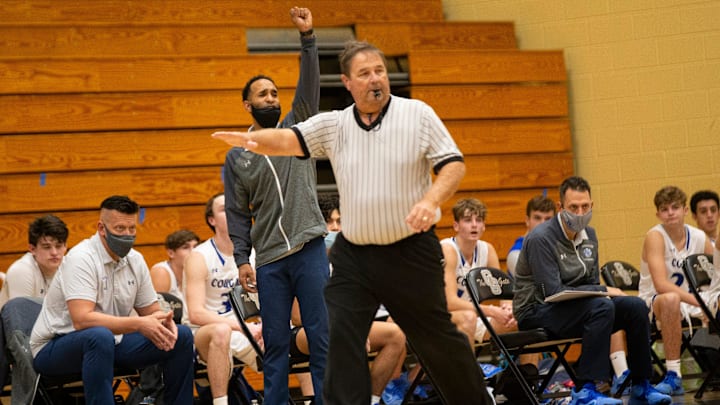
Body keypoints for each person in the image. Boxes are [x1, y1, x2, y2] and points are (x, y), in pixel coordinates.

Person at [213, 40, 492, 404]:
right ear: (347, 82)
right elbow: (286, 139)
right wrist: (250, 141)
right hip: (355, 257)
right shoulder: (335, 125)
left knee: (435, 338)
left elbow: (453, 164)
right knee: (340, 341)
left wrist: (430, 199)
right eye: (365, 73)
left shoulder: (417, 114)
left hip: (409, 250)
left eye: (379, 70)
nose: (375, 78)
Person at [221, 7, 329, 405]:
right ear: (248, 106)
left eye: (274, 93)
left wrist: (309, 38)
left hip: (309, 248)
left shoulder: (295, 130)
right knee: (277, 343)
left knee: (320, 335)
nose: (271, 98)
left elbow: (310, 86)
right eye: (263, 95)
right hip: (268, 260)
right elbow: (236, 211)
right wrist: (242, 259)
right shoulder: (237, 156)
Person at [513, 176, 671, 405]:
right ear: (560, 208)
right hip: (536, 310)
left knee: (635, 306)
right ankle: (585, 391)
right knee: (602, 305)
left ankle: (641, 385)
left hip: (576, 307)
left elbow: (588, 281)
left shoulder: (591, 236)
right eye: (573, 207)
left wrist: (599, 290)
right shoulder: (541, 238)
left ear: (592, 206)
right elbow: (551, 292)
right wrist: (604, 289)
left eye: (585, 206)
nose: (580, 213)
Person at [29, 195, 195, 405]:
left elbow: (150, 311)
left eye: (131, 229)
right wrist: (138, 324)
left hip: (111, 342)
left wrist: (162, 321)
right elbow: (82, 320)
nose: (127, 235)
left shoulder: (135, 259)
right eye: (119, 229)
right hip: (54, 346)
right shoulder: (82, 258)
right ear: (101, 228)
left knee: (181, 335)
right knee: (98, 336)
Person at [184, 192, 262, 405]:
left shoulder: (255, 252)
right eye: (224, 209)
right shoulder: (199, 257)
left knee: (287, 336)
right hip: (205, 331)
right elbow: (196, 313)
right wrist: (243, 328)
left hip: (247, 328)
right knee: (222, 331)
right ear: (212, 220)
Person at [638, 185, 716, 396]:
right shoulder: (655, 236)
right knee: (671, 298)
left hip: (690, 301)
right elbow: (661, 284)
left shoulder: (699, 236)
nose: (670, 212)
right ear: (658, 214)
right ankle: (673, 375)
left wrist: (712, 300)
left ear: (684, 210)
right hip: (654, 301)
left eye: (675, 207)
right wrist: (700, 303)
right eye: (664, 209)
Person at [0, 214, 68, 311]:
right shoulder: (21, 271)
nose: (54, 253)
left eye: (58, 246)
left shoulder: (70, 267)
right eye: (47, 247)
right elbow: (22, 320)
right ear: (32, 249)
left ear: (65, 246)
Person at [506, 195, 556, 276]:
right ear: (527, 220)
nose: (542, 224)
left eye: (548, 219)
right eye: (537, 218)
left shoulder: (559, 248)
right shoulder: (516, 254)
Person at [150, 229, 200, 298]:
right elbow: (157, 307)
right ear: (171, 253)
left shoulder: (197, 272)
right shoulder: (161, 272)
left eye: (196, 247)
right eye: (185, 247)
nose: (193, 251)